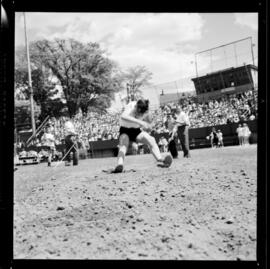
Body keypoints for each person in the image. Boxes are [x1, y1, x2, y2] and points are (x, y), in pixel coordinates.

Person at [114, 99, 173, 173]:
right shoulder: (131, 105)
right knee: (123, 146)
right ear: (136, 106)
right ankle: (120, 165)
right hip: (125, 130)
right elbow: (123, 116)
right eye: (137, 112)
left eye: (140, 113)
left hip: (136, 131)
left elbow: (149, 123)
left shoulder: (146, 112)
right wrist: (140, 122)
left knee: (151, 139)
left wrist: (149, 126)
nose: (138, 114)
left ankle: (161, 160)